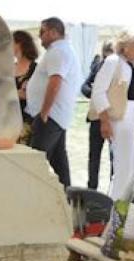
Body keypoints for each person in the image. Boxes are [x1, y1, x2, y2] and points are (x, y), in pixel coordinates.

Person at [91, 32, 134, 200]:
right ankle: (117, 206)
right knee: (123, 167)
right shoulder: (113, 61)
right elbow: (98, 92)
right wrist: (104, 121)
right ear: (125, 45)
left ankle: (132, 204)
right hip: (121, 118)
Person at [26, 17, 80, 187]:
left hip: (50, 116)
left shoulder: (59, 51)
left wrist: (43, 113)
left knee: (35, 164)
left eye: (42, 32)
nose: (39, 36)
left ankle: (34, 203)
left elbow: (55, 82)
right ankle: (67, 202)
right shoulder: (59, 51)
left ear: (53, 32)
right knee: (59, 165)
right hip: (54, 116)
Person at [84, 42, 114, 190]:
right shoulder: (98, 65)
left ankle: (113, 190)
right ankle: (92, 189)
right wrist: (96, 94)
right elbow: (85, 87)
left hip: (113, 118)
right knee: (94, 157)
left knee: (114, 158)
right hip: (96, 117)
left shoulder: (119, 68)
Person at [12, 30, 38, 146]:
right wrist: (18, 93)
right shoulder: (8, 68)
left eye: (10, 42)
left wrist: (11, 93)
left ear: (20, 44)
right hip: (7, 119)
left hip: (26, 120)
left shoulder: (36, 69)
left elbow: (31, 95)